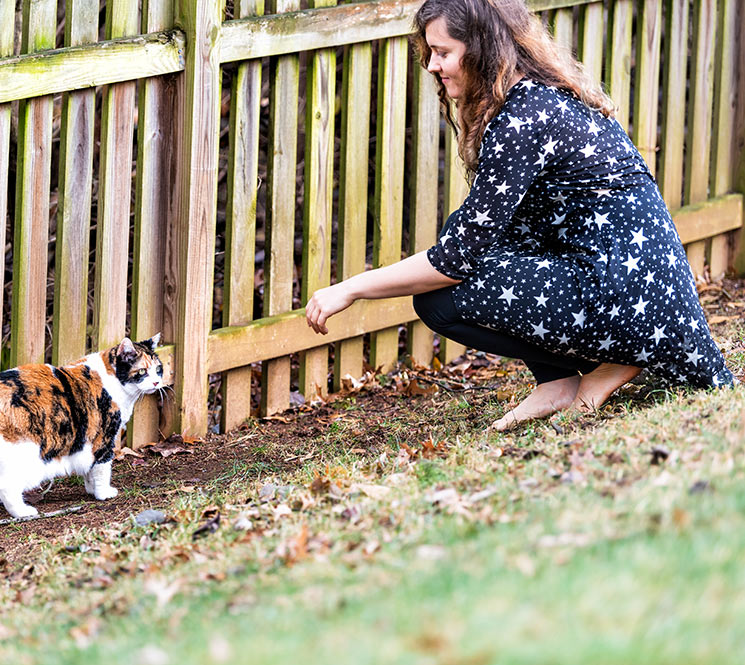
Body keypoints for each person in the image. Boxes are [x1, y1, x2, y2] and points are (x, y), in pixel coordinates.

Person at [304, 0, 735, 430]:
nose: (432, 65)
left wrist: (352, 289)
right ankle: (559, 381)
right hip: (637, 285)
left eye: (443, 52)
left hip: (629, 293)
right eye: (430, 52)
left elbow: (455, 261)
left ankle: (617, 359)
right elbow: (481, 234)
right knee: (475, 240)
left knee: (438, 300)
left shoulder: (523, 117)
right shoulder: (534, 99)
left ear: (482, 49)